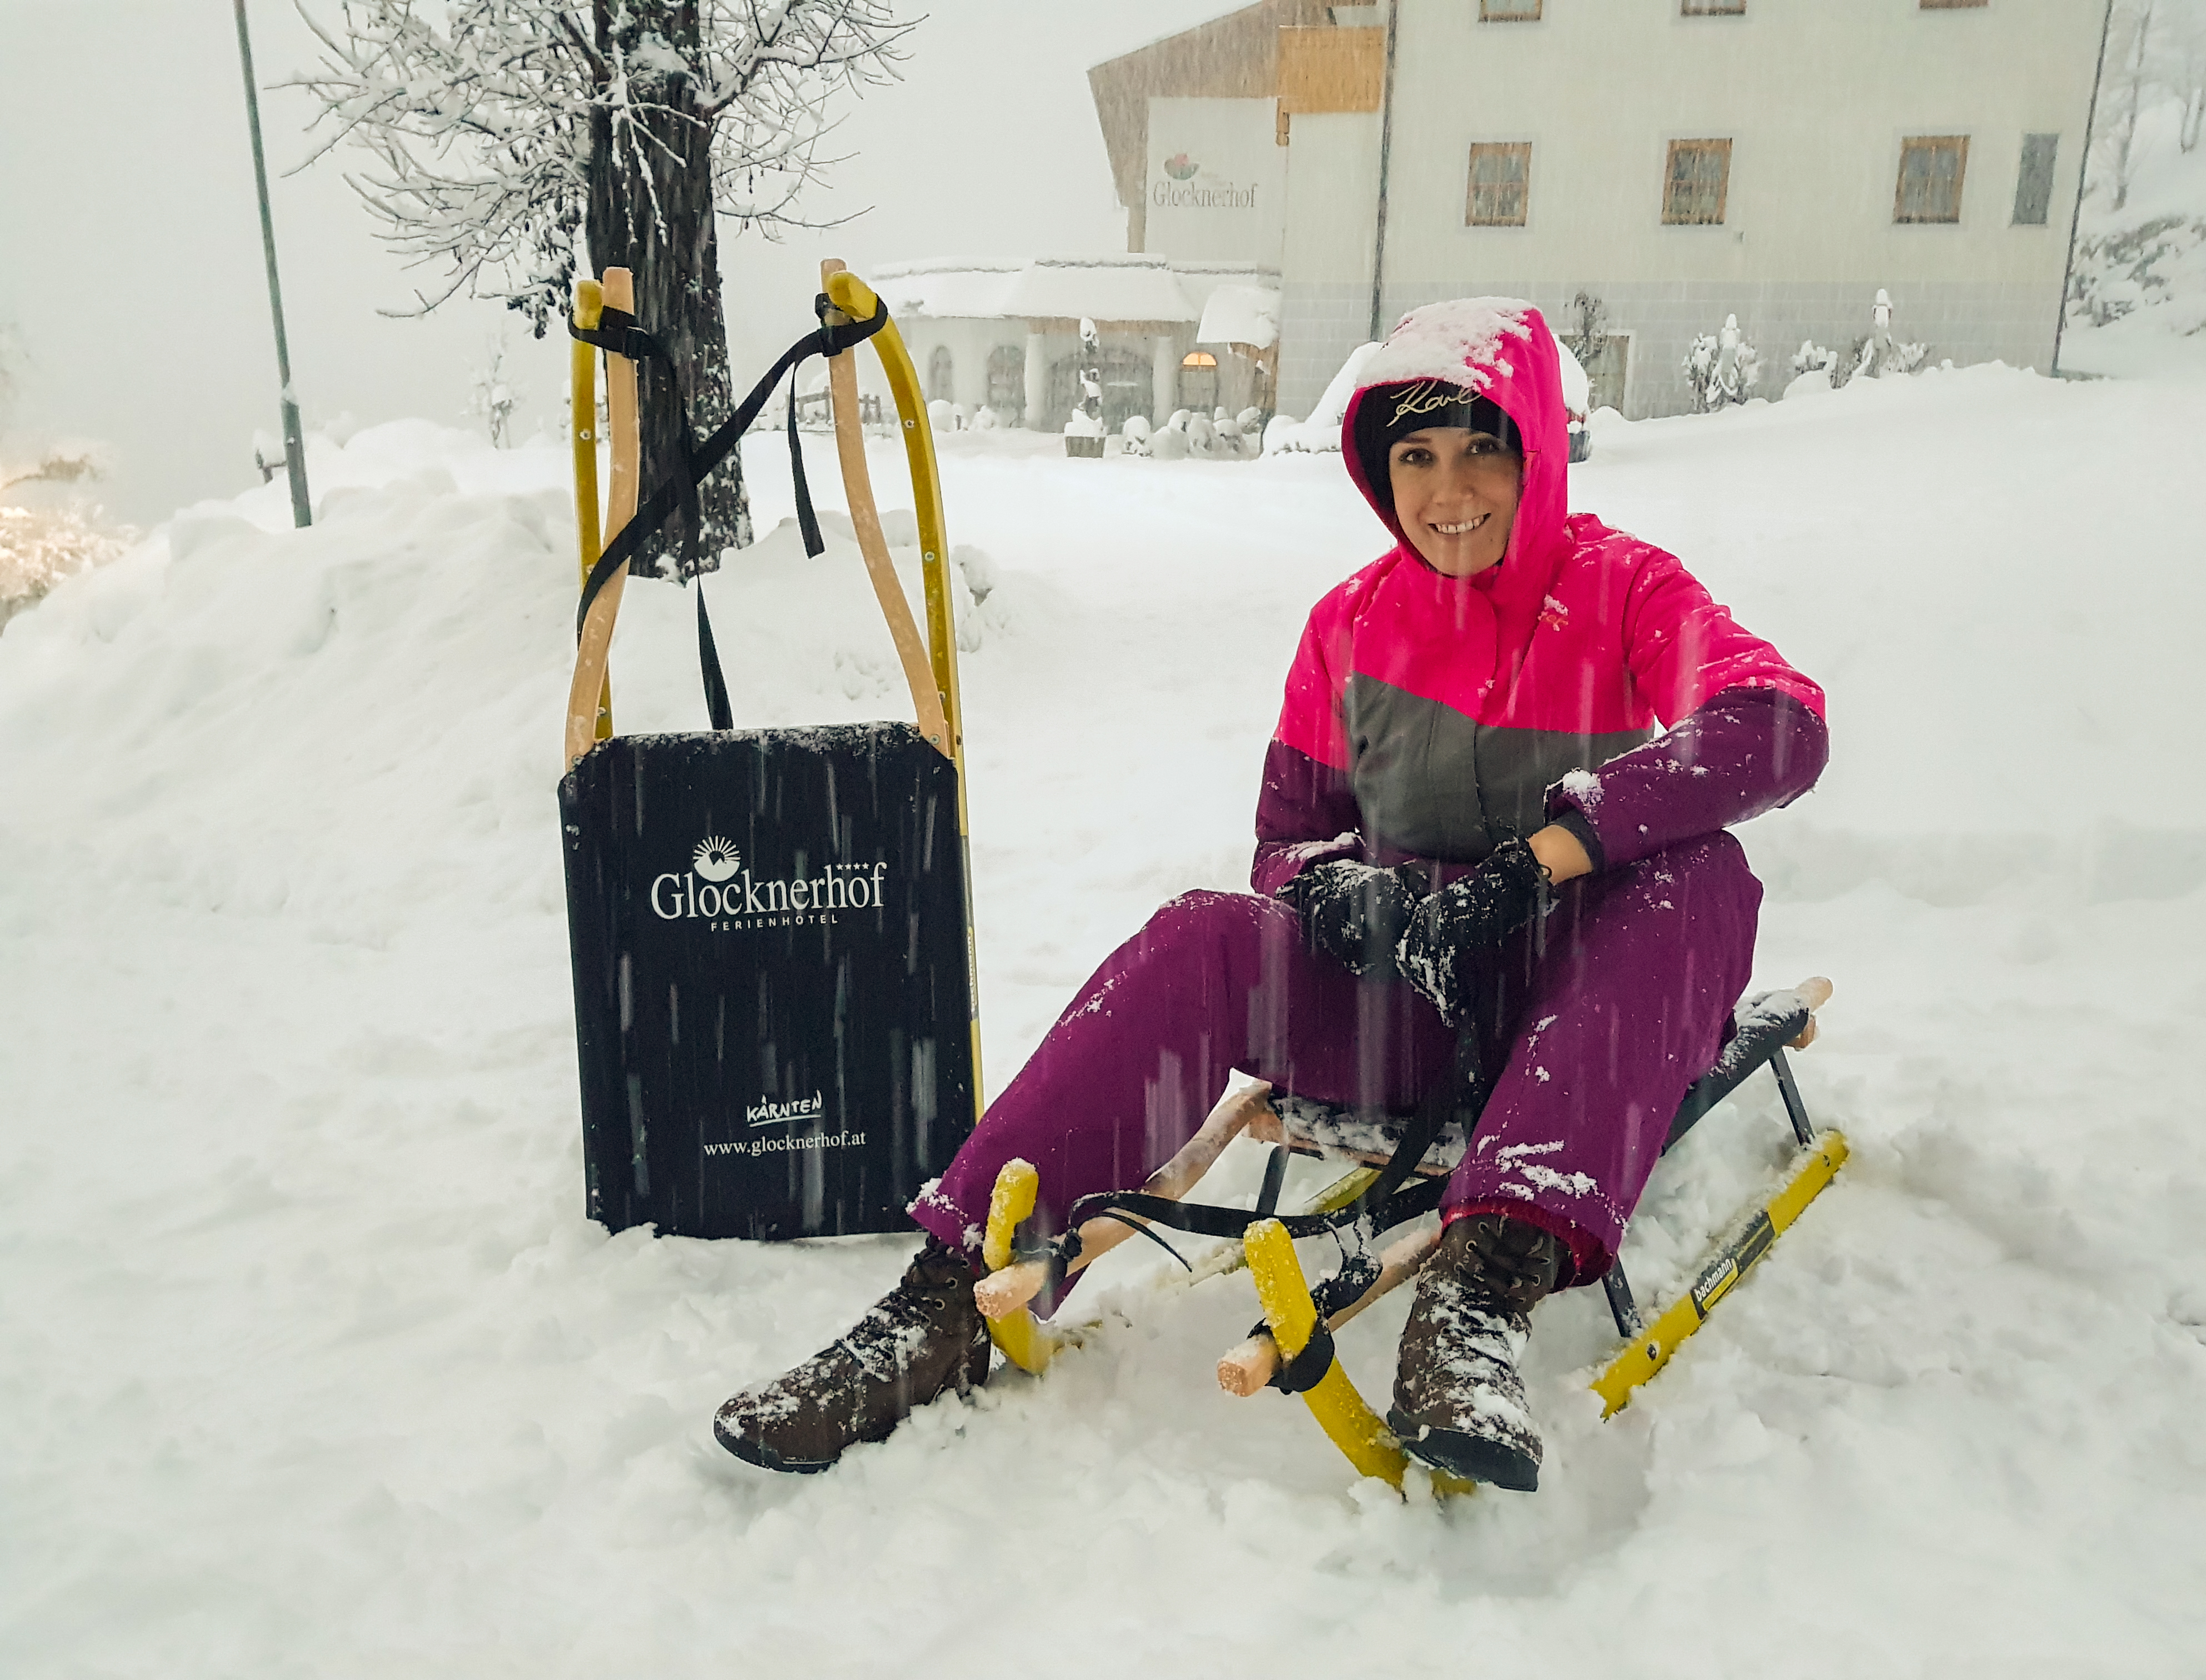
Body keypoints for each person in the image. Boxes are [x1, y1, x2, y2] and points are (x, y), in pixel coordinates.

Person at [713, 297, 1828, 1488]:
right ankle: (940, 1299)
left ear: (1538, 452)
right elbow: (1286, 851)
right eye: (1416, 457)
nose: (1448, 490)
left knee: (1702, 875)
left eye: (1480, 449)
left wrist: (1545, 860)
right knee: (1206, 934)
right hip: (1417, 1003)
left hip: (1590, 1019)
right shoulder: (1350, 626)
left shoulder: (1624, 588)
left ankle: (1480, 1296)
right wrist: (1349, 897)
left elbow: (1778, 726)